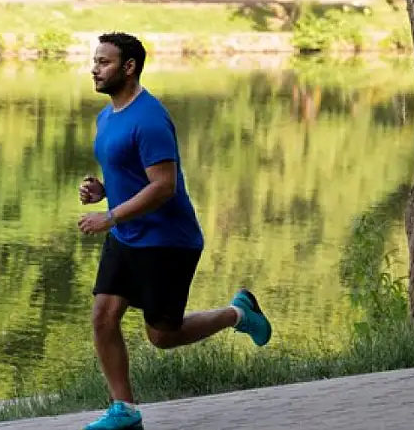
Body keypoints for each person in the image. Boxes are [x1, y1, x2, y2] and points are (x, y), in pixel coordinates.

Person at [77, 32, 272, 430]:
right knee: (103, 317)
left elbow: (163, 187)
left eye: (104, 62)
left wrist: (111, 216)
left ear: (129, 67)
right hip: (128, 235)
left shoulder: (149, 119)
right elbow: (134, 175)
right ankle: (125, 411)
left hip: (166, 242)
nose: (94, 69)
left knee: (163, 336)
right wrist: (103, 190)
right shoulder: (107, 115)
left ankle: (238, 313)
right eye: (95, 61)